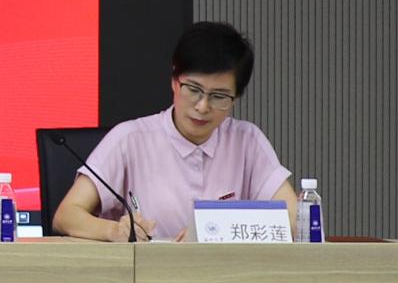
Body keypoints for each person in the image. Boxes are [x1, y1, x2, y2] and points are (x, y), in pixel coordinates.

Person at [53, 21, 297, 242]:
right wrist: (114, 230)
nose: (202, 107)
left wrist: (214, 231)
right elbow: (66, 215)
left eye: (219, 96)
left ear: (236, 97)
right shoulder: (129, 139)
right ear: (174, 80)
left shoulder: (247, 141)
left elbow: (294, 219)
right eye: (193, 89)